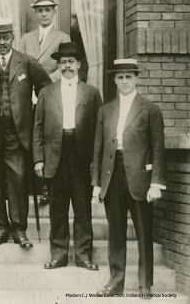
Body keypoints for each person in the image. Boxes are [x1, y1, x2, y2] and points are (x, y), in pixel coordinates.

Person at [0, 19, 51, 249]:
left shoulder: (26, 62)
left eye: (6, 37)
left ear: (12, 38)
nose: (2, 42)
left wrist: (35, 111)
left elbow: (45, 86)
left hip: (18, 133)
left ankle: (19, 229)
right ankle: (0, 228)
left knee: (17, 181)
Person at [92, 59, 166, 298]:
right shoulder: (106, 110)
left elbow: (158, 149)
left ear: (136, 78)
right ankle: (116, 282)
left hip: (140, 179)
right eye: (120, 77)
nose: (124, 81)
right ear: (114, 80)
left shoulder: (150, 109)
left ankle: (145, 284)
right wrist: (96, 183)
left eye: (129, 77)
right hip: (112, 176)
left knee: (144, 232)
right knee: (116, 232)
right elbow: (99, 148)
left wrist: (156, 182)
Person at [32, 42, 101, 271]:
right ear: (58, 66)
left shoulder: (91, 93)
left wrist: (96, 162)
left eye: (71, 62)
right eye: (63, 62)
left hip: (81, 155)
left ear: (79, 64)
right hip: (55, 155)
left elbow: (99, 130)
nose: (67, 66)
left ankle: (83, 256)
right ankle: (59, 255)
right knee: (58, 208)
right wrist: (39, 159)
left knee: (82, 208)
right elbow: (38, 128)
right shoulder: (46, 92)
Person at [19, 0, 73, 205]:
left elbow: (65, 66)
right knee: (29, 138)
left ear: (54, 11)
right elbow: (19, 65)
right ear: (35, 13)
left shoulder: (62, 37)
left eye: (47, 10)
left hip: (51, 93)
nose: (43, 14)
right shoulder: (26, 38)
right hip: (28, 95)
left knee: (47, 138)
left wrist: (44, 81)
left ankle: (45, 188)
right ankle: (25, 187)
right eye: (40, 10)